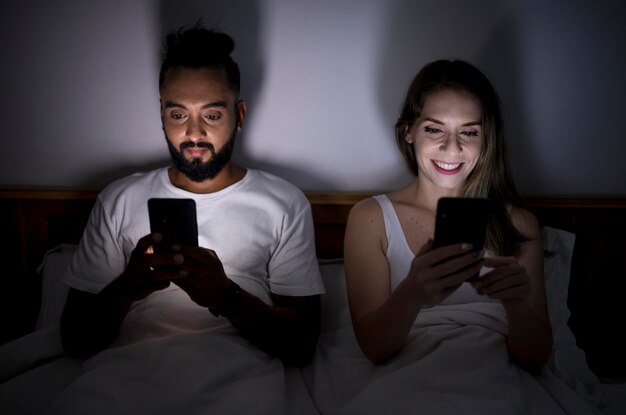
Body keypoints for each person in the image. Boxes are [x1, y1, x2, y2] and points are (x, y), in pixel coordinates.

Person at [60, 24, 324, 366]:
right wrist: (127, 287)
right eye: (178, 114)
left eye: (212, 115)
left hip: (240, 378)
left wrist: (227, 298)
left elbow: (302, 346)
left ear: (239, 115)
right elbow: (75, 341)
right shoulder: (119, 199)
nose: (193, 132)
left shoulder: (284, 203)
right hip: (130, 376)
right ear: (162, 115)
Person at [343, 59, 552, 369]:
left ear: (486, 139)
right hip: (404, 380)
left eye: (469, 133)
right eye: (434, 129)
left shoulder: (519, 224)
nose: (451, 148)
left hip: (495, 383)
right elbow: (374, 347)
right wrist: (412, 292)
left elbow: (536, 359)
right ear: (408, 132)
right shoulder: (370, 219)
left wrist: (518, 306)